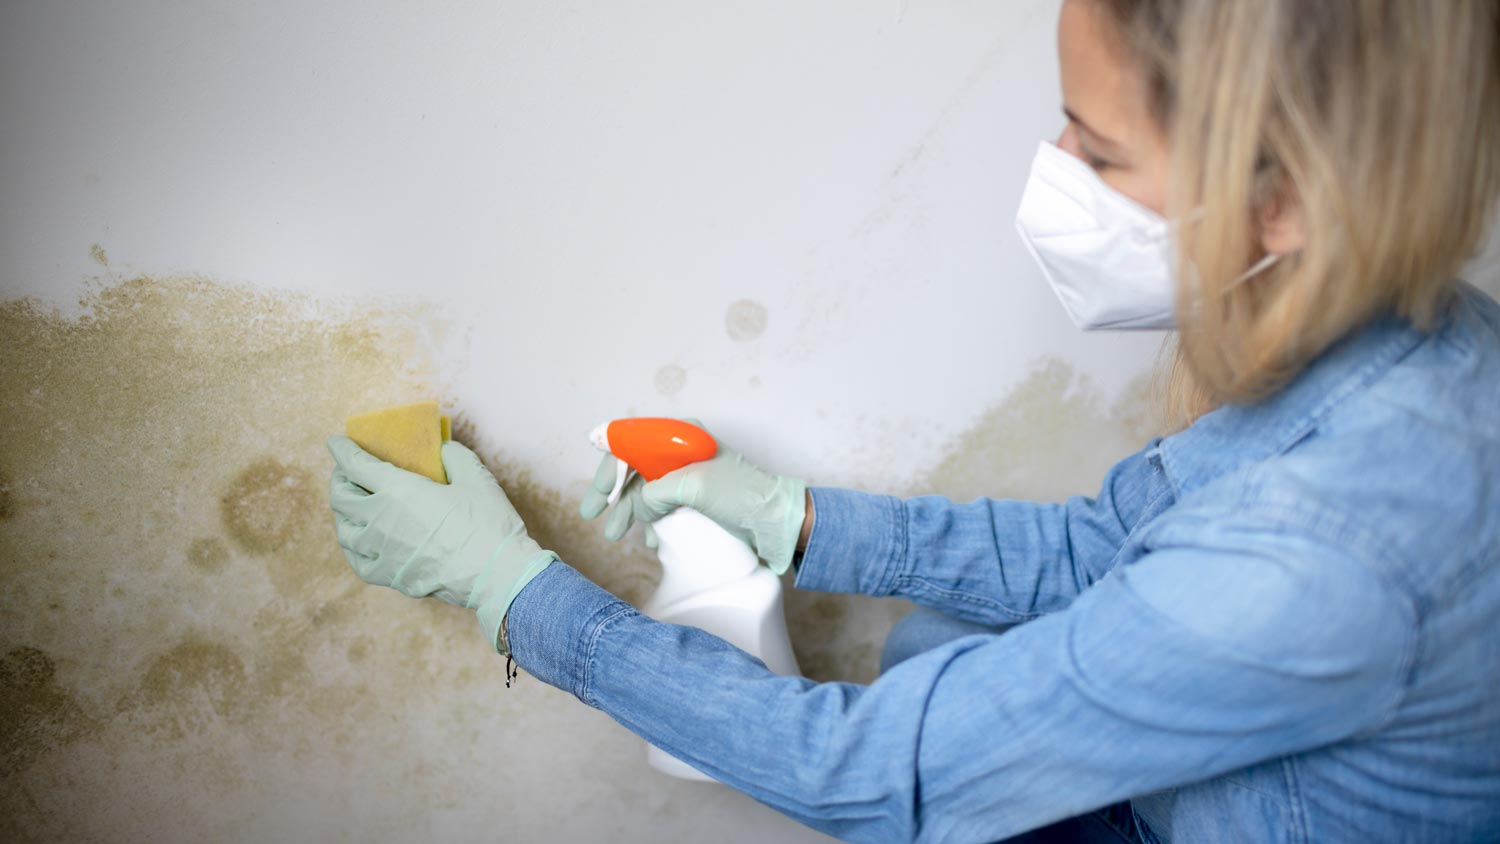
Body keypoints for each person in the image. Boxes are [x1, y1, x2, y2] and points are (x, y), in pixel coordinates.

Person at [324, 0, 1500, 840]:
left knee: (918, 726)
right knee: (935, 642)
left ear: (1282, 197)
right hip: (1237, 774)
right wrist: (794, 519)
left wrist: (515, 596)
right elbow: (1105, 551)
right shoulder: (1407, 338)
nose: (1055, 170)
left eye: (1099, 149)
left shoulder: (1325, 552)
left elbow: (875, 776)